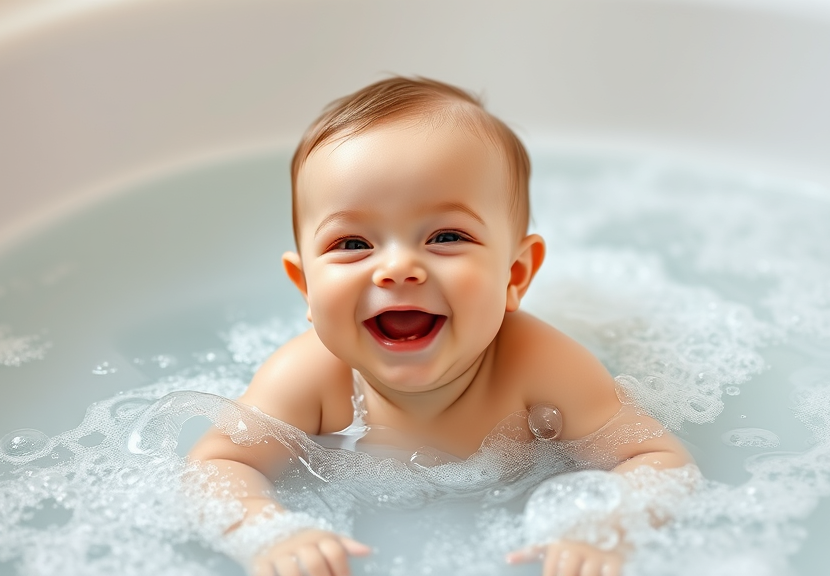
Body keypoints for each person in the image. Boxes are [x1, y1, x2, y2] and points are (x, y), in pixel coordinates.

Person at [189, 76, 693, 576]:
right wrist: (265, 532)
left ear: (514, 275)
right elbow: (216, 466)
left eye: (446, 236)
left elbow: (658, 460)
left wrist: (607, 525)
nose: (397, 268)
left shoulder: (541, 366)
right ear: (305, 288)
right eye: (352, 244)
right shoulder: (310, 377)